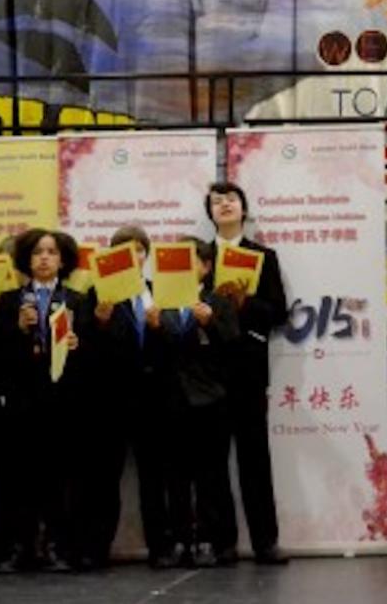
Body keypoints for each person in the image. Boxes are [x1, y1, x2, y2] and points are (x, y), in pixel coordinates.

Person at [0, 228, 87, 573]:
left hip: (62, 403)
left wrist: (78, 346)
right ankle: (19, 547)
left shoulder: (77, 300)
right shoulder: (8, 301)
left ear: (63, 260)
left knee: (59, 479)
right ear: (26, 260)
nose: (44, 258)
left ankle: (57, 547)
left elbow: (94, 357)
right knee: (20, 480)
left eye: (51, 252)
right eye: (37, 252)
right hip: (22, 404)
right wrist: (17, 329)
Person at [207, 181, 290, 565]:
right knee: (212, 461)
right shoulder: (200, 256)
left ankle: (265, 542)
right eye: (216, 201)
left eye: (231, 199)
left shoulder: (264, 256)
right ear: (210, 213)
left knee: (255, 458)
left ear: (244, 209)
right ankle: (222, 543)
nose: (224, 204)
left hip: (249, 370)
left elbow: (279, 313)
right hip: (206, 371)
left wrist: (246, 302)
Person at [71, 224, 163, 569]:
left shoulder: (160, 291)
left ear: (145, 256)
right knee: (103, 479)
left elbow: (173, 350)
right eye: (125, 250)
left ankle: (161, 548)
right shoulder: (95, 296)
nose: (133, 256)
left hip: (152, 400)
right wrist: (99, 324)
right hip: (108, 402)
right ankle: (95, 549)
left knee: (155, 479)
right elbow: (83, 352)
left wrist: (158, 329)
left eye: (139, 250)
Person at [147, 239, 237, 568]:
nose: (185, 268)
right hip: (170, 403)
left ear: (206, 266)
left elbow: (233, 349)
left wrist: (209, 323)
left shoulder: (219, 302)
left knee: (212, 477)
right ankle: (182, 541)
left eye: (193, 261)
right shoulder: (160, 304)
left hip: (210, 402)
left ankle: (214, 541)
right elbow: (153, 359)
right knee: (175, 478)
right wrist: (154, 330)